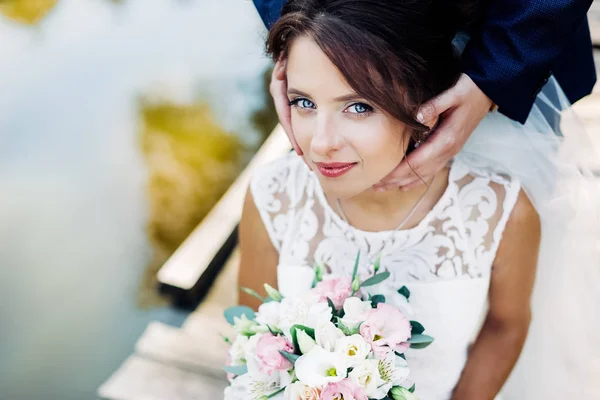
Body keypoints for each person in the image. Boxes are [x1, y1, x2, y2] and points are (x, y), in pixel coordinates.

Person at [253, 0, 596, 191]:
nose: (321, 145)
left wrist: (495, 74)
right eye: (305, 103)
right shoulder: (274, 198)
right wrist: (301, 33)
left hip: (509, 31)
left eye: (359, 106)